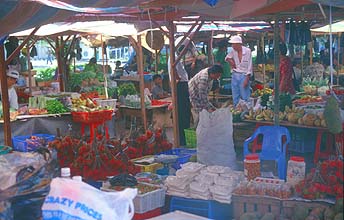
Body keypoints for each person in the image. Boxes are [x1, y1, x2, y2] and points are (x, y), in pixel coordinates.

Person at [168, 42, 191, 146]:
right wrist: (178, 79)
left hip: (181, 85)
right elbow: (174, 73)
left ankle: (183, 137)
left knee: (183, 113)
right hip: (180, 86)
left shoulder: (175, 57)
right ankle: (182, 138)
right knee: (182, 113)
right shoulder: (173, 57)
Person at [225, 35, 252, 106]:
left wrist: (247, 78)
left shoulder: (247, 51)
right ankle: (236, 110)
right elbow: (227, 58)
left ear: (239, 44)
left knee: (245, 95)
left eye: (234, 44)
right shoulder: (233, 51)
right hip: (235, 75)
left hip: (244, 75)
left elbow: (250, 66)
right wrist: (231, 61)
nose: (232, 46)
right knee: (235, 95)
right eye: (232, 44)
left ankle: (247, 111)